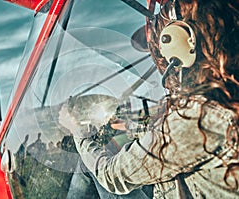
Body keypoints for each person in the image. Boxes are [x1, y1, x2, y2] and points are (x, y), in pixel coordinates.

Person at [59, 0, 239, 198]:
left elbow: (113, 175)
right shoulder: (225, 100)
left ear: (181, 46)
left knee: (91, 163)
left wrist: (77, 131)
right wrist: (128, 126)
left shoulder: (199, 116)